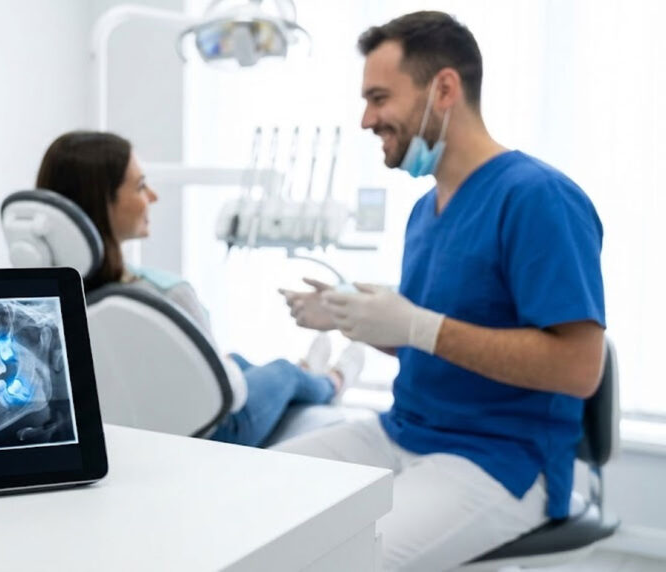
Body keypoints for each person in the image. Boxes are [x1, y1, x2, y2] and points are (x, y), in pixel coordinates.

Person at [276, 11, 605, 571]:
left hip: (501, 458)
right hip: (402, 432)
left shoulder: (537, 198)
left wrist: (415, 325)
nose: (366, 119)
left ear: (444, 88)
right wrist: (357, 319)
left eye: (379, 98)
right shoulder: (424, 211)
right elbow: (432, 345)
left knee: (331, 559)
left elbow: (578, 368)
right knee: (253, 496)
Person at [35, 130, 365, 448]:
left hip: (135, 429)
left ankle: (309, 370)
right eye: (140, 186)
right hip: (212, 435)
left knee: (237, 360)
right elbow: (230, 396)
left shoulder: (47, 298)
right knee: (281, 372)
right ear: (101, 201)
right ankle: (332, 380)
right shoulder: (165, 294)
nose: (153, 196)